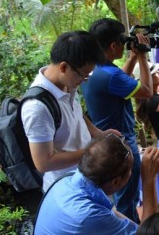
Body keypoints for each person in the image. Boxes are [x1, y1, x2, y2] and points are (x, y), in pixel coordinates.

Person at [21, 31, 118, 192]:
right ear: (64, 67)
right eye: (83, 75)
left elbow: (75, 114)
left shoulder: (67, 84)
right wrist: (91, 153)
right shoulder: (37, 107)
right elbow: (43, 162)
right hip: (68, 188)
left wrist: (98, 134)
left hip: (89, 177)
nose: (84, 80)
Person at [81, 18, 154, 223]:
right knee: (127, 203)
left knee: (119, 198)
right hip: (122, 145)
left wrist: (132, 56)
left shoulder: (93, 69)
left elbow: (118, 79)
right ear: (113, 46)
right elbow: (147, 92)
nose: (125, 44)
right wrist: (142, 57)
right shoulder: (111, 76)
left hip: (103, 144)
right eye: (122, 41)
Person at [35, 133, 159, 234]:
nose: (131, 173)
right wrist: (149, 179)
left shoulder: (67, 181)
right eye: (130, 171)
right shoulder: (88, 215)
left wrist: (137, 228)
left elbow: (110, 214)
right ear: (116, 181)